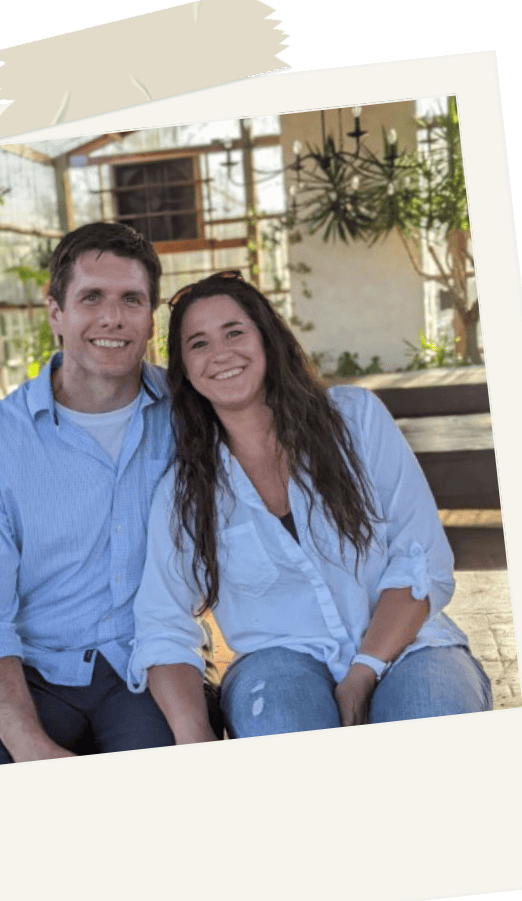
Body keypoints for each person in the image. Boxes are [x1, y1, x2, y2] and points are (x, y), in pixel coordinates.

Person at [127, 270, 492, 741]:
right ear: (184, 368)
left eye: (234, 332)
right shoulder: (185, 490)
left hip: (409, 646)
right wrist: (194, 740)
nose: (220, 353)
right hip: (277, 662)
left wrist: (363, 671)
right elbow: (162, 623)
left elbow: (421, 560)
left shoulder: (356, 422)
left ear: (268, 338)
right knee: (281, 723)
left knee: (431, 714)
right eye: (197, 344)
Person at [0, 222, 220, 769]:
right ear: (56, 314)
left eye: (131, 300)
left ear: (149, 319)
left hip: (153, 663)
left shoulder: (193, 416)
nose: (112, 317)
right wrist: (30, 747)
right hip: (35, 670)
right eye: (92, 297)